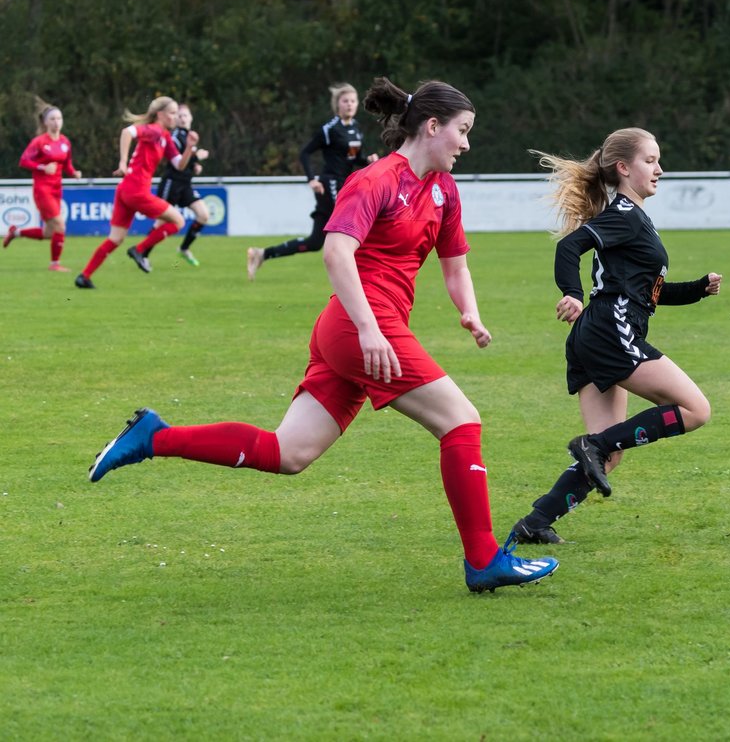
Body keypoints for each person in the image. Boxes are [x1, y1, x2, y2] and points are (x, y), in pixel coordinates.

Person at [89, 77, 559, 594]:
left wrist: (469, 312)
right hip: (360, 325)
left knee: (287, 453)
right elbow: (336, 252)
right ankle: (485, 559)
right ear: (432, 127)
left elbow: (455, 265)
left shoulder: (444, 190)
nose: (467, 143)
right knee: (461, 420)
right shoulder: (375, 179)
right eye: (462, 131)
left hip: (365, 329)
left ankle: (152, 436)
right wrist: (368, 329)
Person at [510, 127, 722, 545]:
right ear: (623, 168)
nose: (659, 169)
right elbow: (568, 248)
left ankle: (535, 522)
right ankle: (593, 444)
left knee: (611, 455)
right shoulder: (624, 215)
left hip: (597, 332)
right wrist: (571, 292)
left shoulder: (634, 217)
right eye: (650, 161)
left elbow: (649, 294)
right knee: (695, 410)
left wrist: (696, 289)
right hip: (610, 330)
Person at [247, 83, 378, 280]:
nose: (349, 105)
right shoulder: (329, 129)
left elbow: (352, 157)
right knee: (351, 224)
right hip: (330, 184)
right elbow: (305, 153)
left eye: (353, 101)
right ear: (337, 104)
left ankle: (261, 254)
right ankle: (363, 274)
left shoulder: (356, 129)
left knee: (315, 242)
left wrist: (367, 160)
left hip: (345, 183)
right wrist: (311, 179)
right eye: (345, 101)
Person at [73, 97, 198, 289]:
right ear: (160, 115)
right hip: (136, 191)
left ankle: (85, 276)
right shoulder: (154, 130)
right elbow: (127, 132)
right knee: (178, 221)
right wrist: (122, 162)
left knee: (115, 239)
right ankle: (139, 250)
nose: (176, 117)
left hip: (125, 190)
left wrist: (189, 147)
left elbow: (179, 165)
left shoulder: (164, 137)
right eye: (172, 113)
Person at [5, 97, 81, 271]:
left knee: (48, 233)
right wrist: (42, 167)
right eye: (52, 119)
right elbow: (24, 161)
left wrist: (74, 172)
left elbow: (67, 164)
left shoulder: (64, 142)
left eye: (59, 118)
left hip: (56, 190)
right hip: (42, 190)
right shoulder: (39, 142)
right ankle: (54, 264)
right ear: (46, 122)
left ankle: (15, 232)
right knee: (60, 225)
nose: (56, 122)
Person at [140, 102, 211, 266]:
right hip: (171, 184)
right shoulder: (175, 136)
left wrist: (195, 166)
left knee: (204, 215)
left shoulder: (189, 136)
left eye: (185, 115)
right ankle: (143, 253)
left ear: (191, 117)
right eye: (179, 115)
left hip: (185, 185)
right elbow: (178, 162)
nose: (182, 118)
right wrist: (197, 157)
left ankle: (184, 248)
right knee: (161, 222)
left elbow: (188, 162)